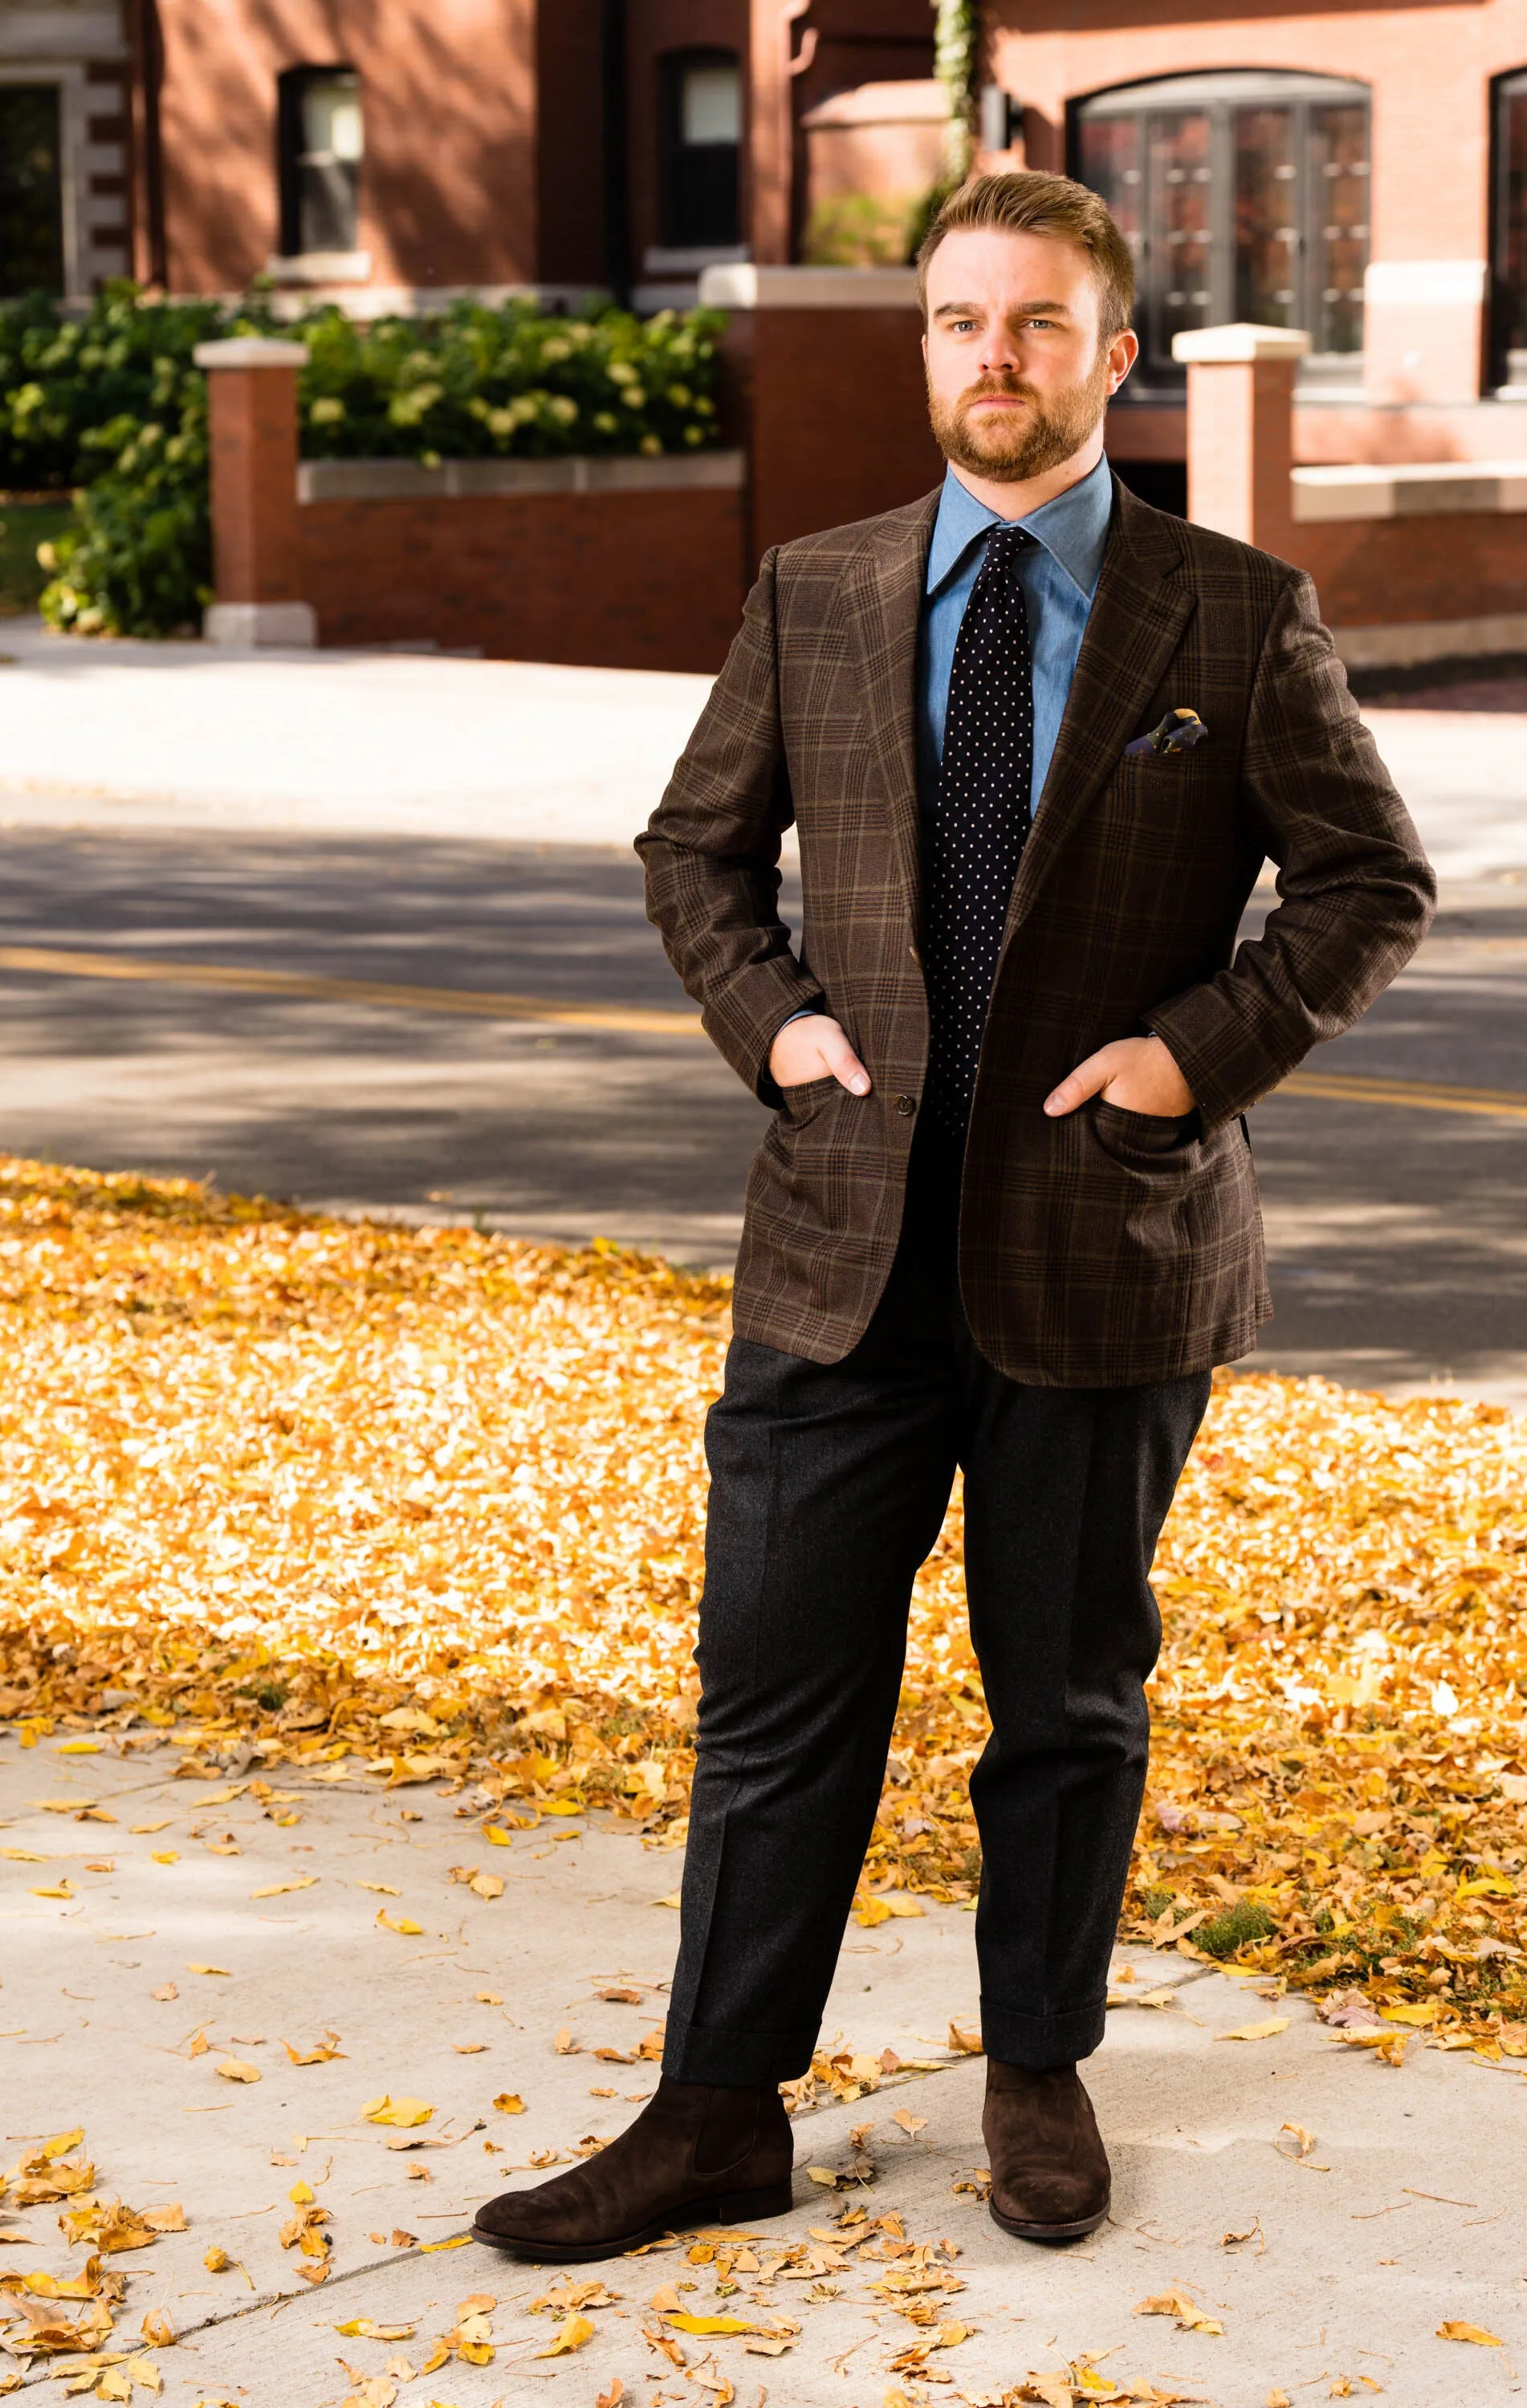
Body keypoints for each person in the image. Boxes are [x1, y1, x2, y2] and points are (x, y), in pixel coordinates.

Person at [474, 169, 1434, 2265]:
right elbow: (695, 852)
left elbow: (1370, 884)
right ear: (923, 350)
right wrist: (779, 1029)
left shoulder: (1233, 612)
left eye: (1033, 324)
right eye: (954, 322)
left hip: (1109, 1251)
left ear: (1112, 357)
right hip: (839, 1251)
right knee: (776, 1685)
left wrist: (1198, 1049)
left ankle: (1035, 2072)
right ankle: (718, 2108)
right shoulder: (816, 592)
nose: (989, 358)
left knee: (1065, 1696)